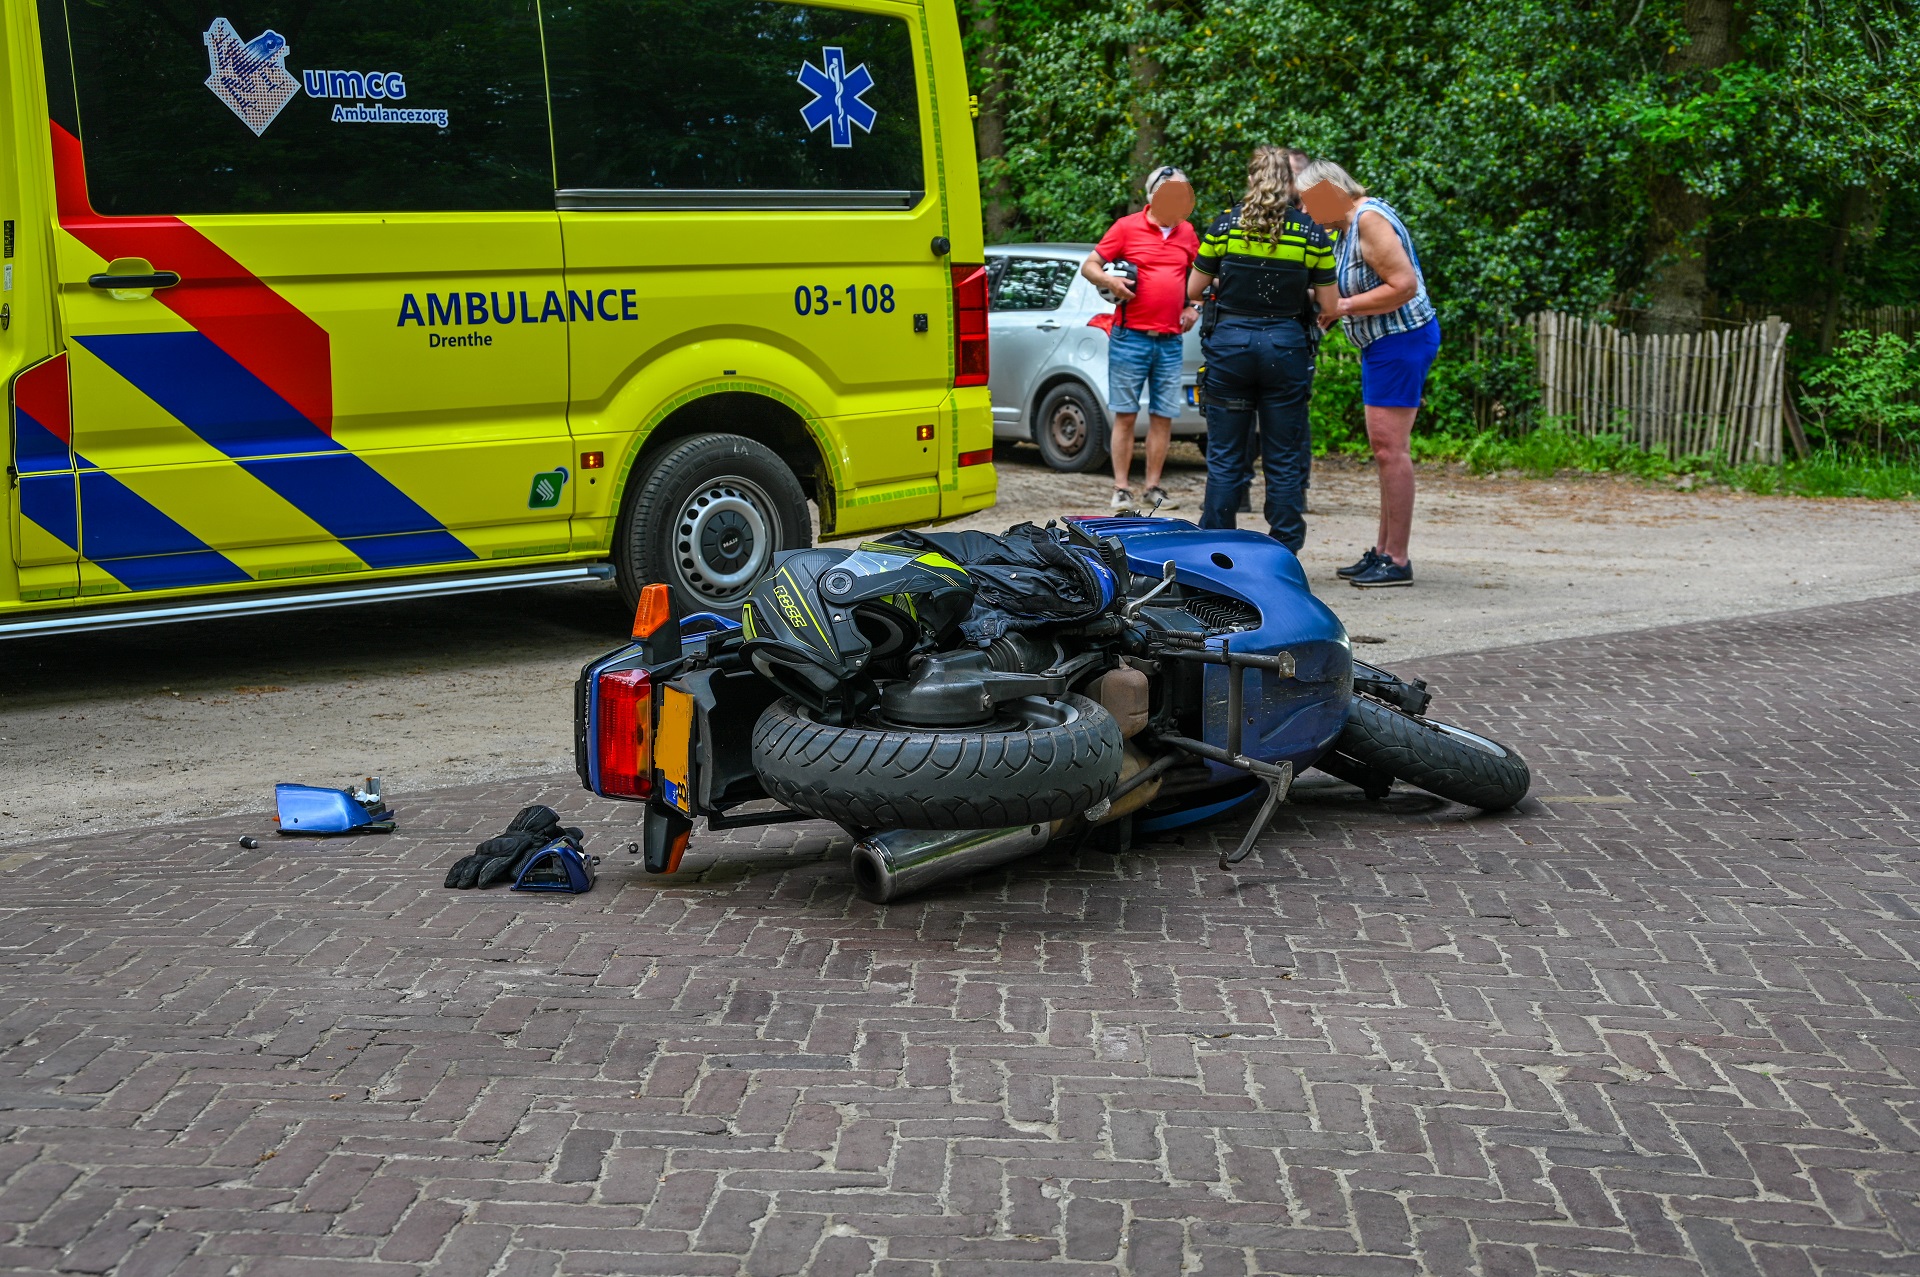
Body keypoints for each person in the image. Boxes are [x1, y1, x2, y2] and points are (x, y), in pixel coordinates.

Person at [1186, 146, 1340, 551]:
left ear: (1251, 178)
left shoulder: (1223, 228)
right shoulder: (1310, 233)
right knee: (1283, 457)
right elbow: (1330, 305)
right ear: (1290, 184)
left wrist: (1227, 283)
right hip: (1286, 350)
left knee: (1225, 457)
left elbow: (1193, 289)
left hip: (1230, 348)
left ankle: (1216, 545)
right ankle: (1285, 546)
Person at [1298, 158, 1440, 588]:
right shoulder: (1346, 227)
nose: (1305, 214)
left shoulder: (1369, 219)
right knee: (1385, 449)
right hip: (1383, 343)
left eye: (1309, 203)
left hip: (1401, 341)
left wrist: (1342, 307)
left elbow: (1404, 285)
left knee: (1390, 449)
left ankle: (1397, 559)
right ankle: (1382, 551)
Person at [1081, 166, 1201, 512]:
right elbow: (1090, 265)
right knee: (1126, 414)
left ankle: (1153, 488)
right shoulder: (1126, 227)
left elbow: (1201, 275)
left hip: (1169, 339)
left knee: (1164, 415)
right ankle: (1121, 489)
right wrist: (1109, 282)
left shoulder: (1187, 232)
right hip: (1129, 336)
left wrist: (1194, 305)